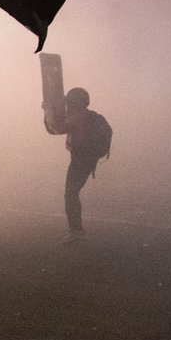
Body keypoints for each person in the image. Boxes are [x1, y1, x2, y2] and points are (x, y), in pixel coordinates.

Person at [44, 86, 110, 243]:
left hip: (80, 159)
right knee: (73, 192)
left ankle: (76, 231)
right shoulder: (88, 116)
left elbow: (55, 128)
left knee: (71, 193)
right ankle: (76, 230)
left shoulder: (77, 118)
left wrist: (47, 111)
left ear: (74, 103)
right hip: (88, 159)